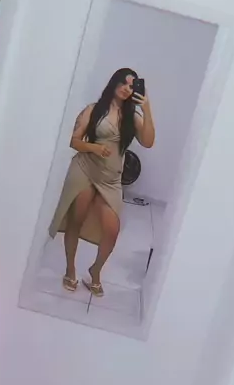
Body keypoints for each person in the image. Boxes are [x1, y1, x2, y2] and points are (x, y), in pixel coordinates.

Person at [49, 68, 156, 296]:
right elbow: (74, 141)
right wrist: (94, 147)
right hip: (85, 170)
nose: (127, 88)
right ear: (114, 83)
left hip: (111, 179)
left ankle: (95, 270)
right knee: (76, 220)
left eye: (132, 86)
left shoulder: (132, 117)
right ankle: (70, 269)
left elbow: (148, 142)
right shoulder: (93, 109)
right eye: (124, 83)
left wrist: (146, 108)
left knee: (112, 230)